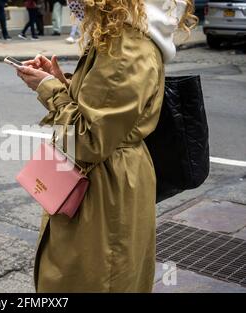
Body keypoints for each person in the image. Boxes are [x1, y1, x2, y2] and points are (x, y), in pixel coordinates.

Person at [16, 0, 197, 292]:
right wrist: (60, 82)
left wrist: (48, 89)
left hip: (102, 189)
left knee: (94, 279)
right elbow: (102, 107)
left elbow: (88, 139)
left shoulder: (126, 46)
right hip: (103, 181)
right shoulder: (121, 34)